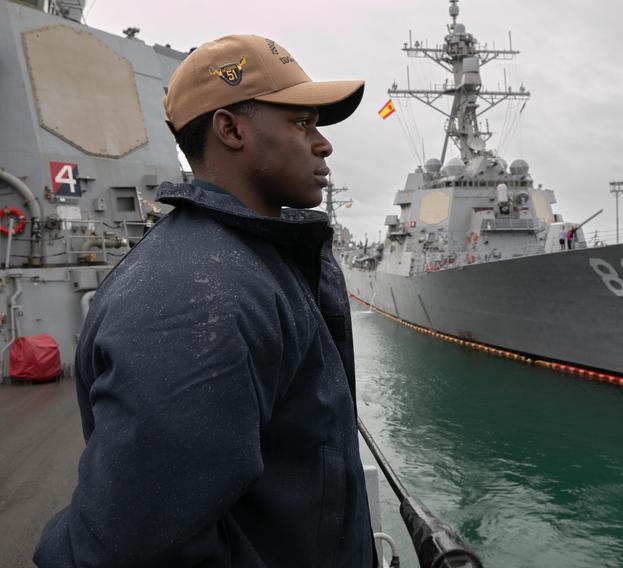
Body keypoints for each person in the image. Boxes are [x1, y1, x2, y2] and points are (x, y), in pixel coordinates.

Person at [34, 35, 374, 567]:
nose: (323, 143)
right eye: (302, 122)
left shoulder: (247, 264)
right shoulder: (196, 298)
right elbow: (130, 546)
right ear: (231, 129)